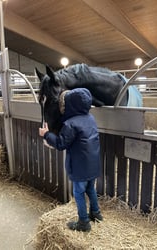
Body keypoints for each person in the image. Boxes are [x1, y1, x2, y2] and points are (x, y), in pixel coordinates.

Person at [39, 88, 103, 232]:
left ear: (71, 105)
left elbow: (61, 144)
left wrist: (46, 134)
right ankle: (96, 213)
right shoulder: (90, 118)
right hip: (93, 165)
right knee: (90, 189)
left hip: (79, 167)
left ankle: (83, 222)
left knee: (78, 193)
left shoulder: (70, 124)